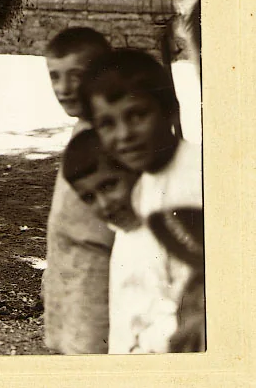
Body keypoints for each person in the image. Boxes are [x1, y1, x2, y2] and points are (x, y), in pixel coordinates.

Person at [79, 48, 205, 353]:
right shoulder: (138, 182)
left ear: (169, 111)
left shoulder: (199, 182)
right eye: (107, 124)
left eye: (137, 115)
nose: (124, 135)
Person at [40, 27, 113, 354]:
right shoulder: (83, 126)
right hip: (66, 279)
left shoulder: (114, 135)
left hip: (96, 286)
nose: (63, 89)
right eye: (54, 77)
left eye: (75, 76)